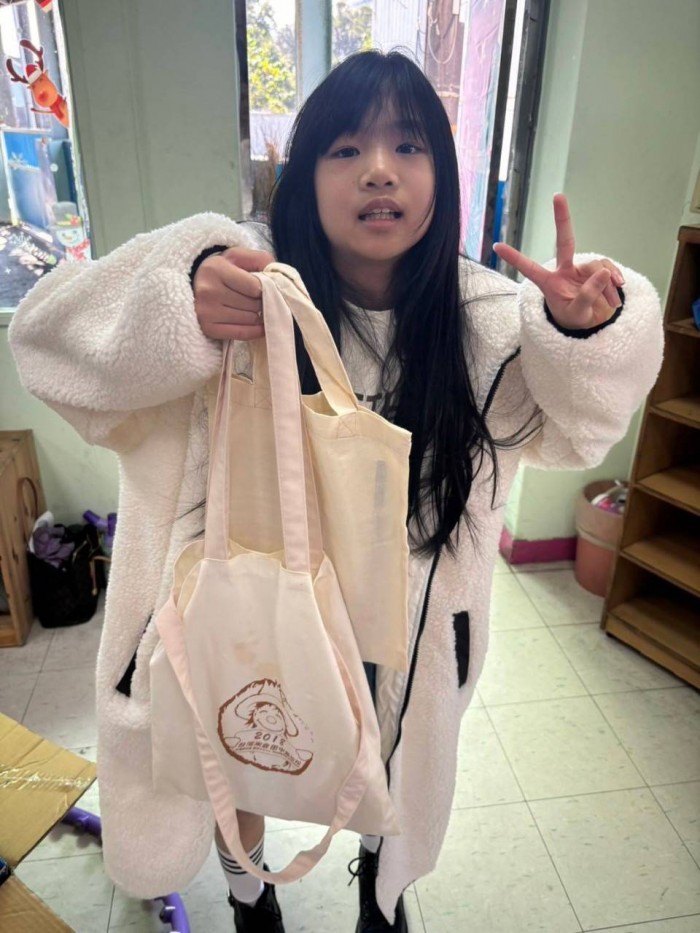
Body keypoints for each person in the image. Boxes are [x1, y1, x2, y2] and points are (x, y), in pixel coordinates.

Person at [9, 50, 662, 933]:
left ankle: (378, 894)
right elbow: (47, 341)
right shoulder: (240, 289)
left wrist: (583, 333)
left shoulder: (484, 323)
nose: (380, 170)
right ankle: (251, 896)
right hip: (249, 602)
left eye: (409, 145)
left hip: (400, 632)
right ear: (304, 175)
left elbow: (580, 429)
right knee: (239, 748)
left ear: (443, 174)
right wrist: (179, 295)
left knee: (387, 763)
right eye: (346, 149)